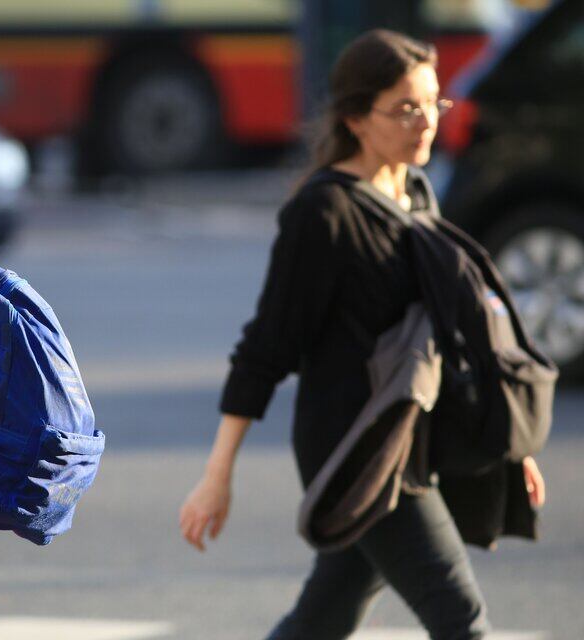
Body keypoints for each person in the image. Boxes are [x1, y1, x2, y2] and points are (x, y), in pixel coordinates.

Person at [178, 30, 546, 640]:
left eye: (433, 103)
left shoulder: (416, 192)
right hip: (361, 453)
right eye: (405, 108)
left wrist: (511, 444)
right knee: (462, 621)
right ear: (354, 117)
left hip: (413, 435)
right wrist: (218, 476)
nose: (425, 121)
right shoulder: (322, 216)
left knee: (326, 616)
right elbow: (266, 348)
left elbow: (449, 332)